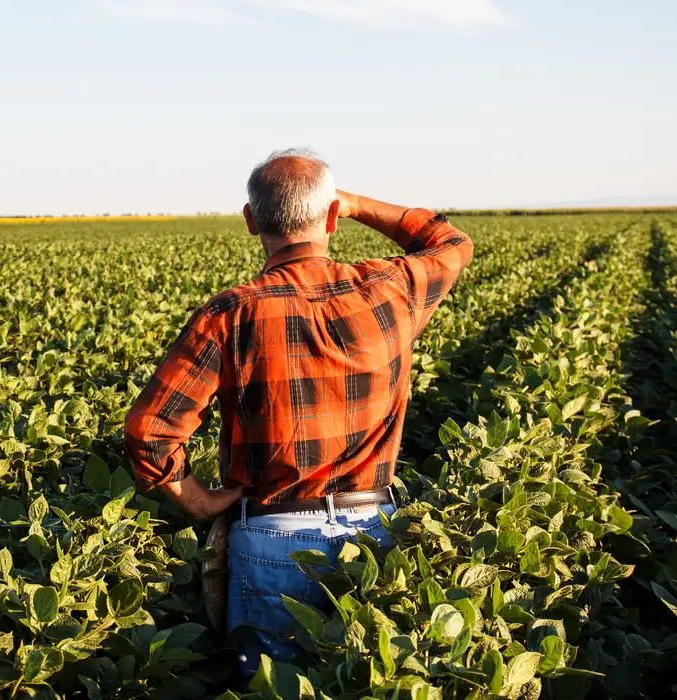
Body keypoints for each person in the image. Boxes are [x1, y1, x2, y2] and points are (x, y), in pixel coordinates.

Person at [124, 149, 473, 674]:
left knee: (273, 685)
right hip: (373, 535)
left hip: (270, 536)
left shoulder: (230, 313)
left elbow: (150, 429)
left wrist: (195, 501)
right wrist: (355, 203)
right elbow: (451, 242)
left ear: (250, 221)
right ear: (332, 217)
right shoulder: (391, 289)